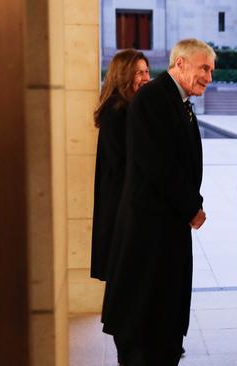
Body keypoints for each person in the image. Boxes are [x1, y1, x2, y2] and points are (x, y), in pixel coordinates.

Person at [101, 38, 214, 366]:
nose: (209, 76)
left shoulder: (177, 100)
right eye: (203, 68)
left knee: (163, 314)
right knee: (144, 318)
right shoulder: (154, 97)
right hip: (148, 230)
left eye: (211, 69)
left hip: (166, 226)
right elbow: (157, 164)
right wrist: (191, 205)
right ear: (180, 64)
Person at [90, 48, 150, 365]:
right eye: (138, 72)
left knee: (130, 283)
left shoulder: (130, 109)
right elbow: (130, 165)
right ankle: (128, 352)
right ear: (123, 75)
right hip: (122, 215)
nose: (145, 77)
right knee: (125, 285)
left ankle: (135, 345)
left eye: (146, 71)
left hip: (126, 210)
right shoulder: (118, 112)